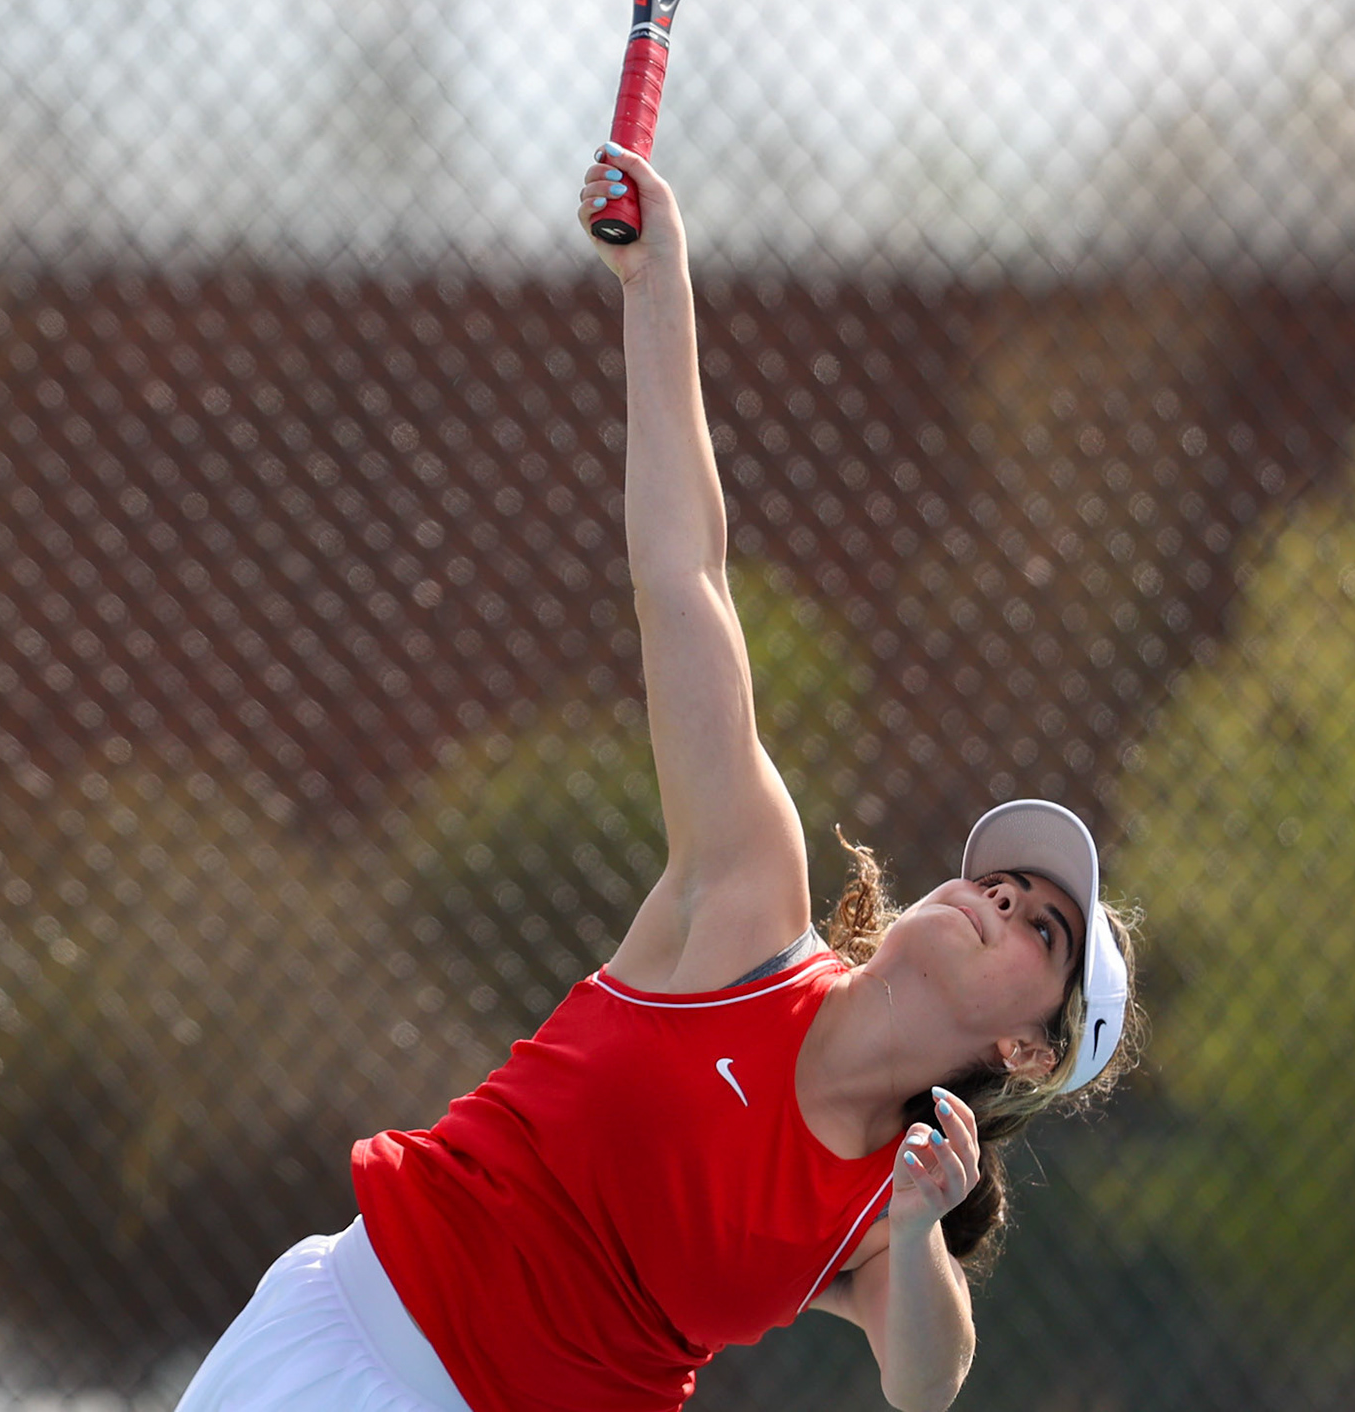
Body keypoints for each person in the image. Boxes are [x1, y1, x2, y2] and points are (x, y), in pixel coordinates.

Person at [173, 143, 1140, 1412]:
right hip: (345, 1350)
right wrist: (657, 281)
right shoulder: (746, 899)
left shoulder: (882, 1195)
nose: (1002, 899)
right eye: (1007, 882)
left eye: (1043, 927)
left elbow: (928, 1379)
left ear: (1024, 1043)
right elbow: (686, 578)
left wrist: (915, 1230)